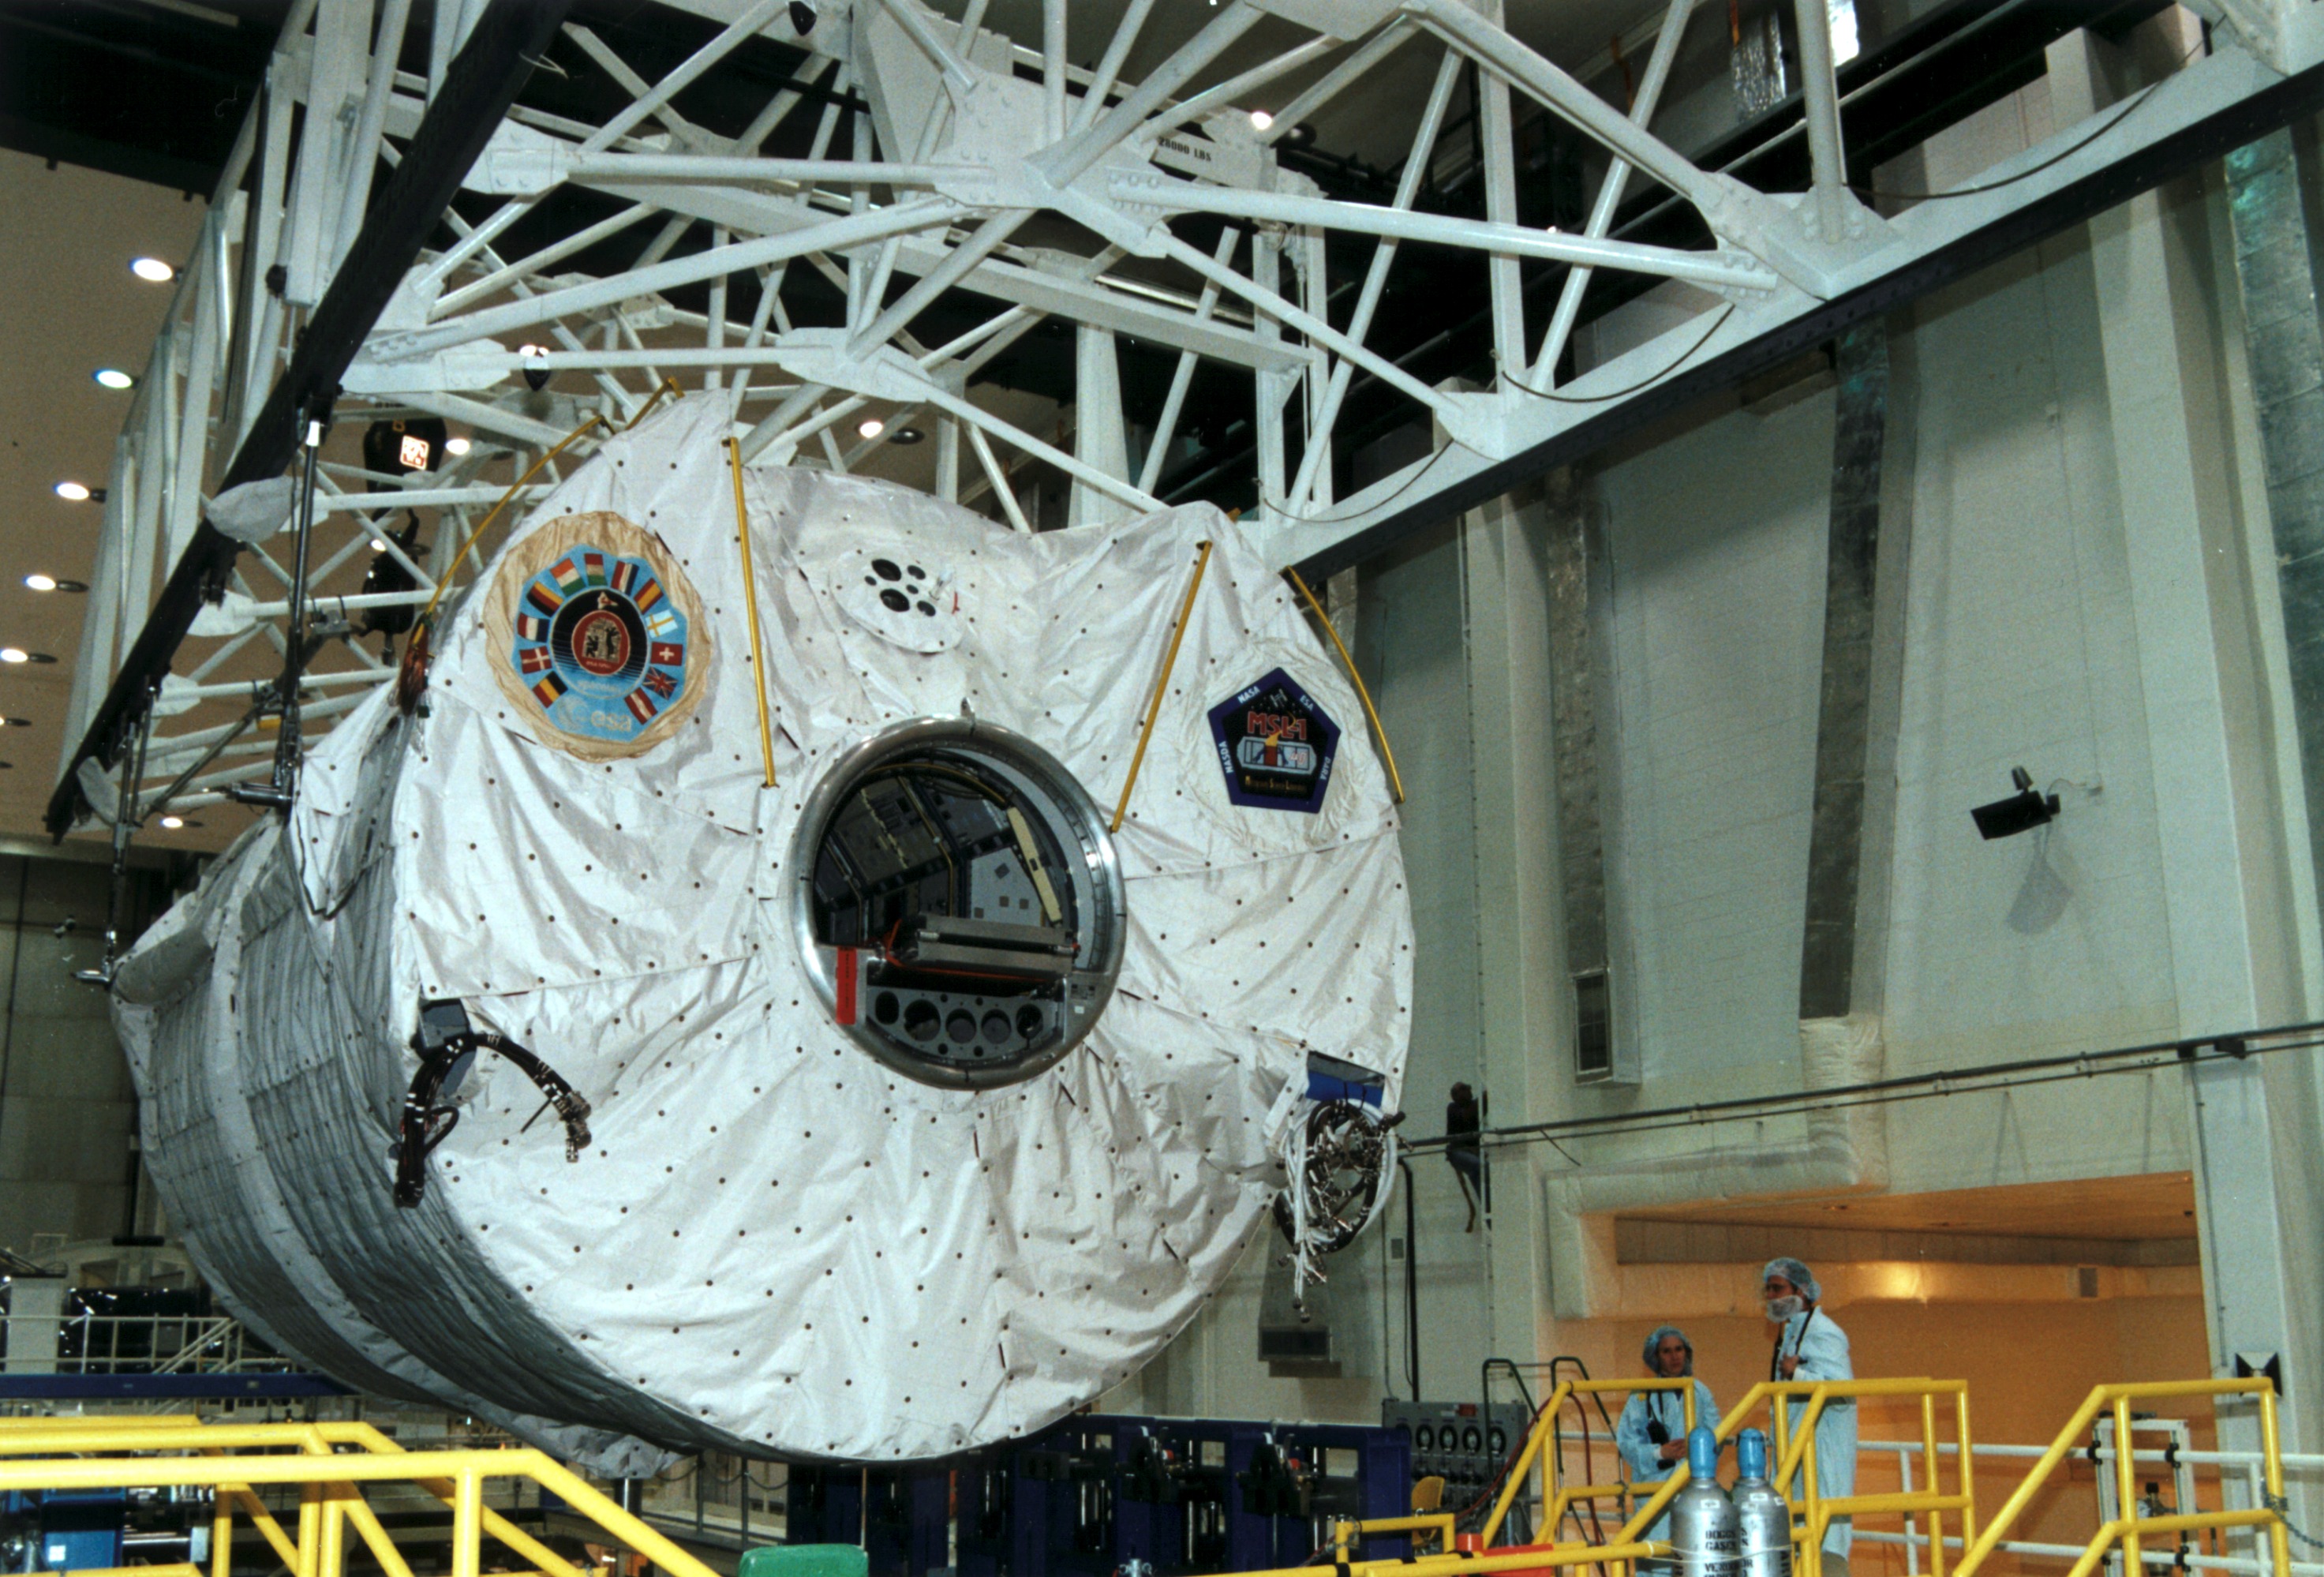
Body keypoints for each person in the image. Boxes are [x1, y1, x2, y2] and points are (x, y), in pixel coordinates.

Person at [1766, 1257, 1856, 1577]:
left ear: (1802, 1290)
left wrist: (1798, 1374)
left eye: (1778, 1288)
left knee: (1824, 1551)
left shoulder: (1825, 1333)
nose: (1772, 1297)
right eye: (1769, 1290)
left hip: (1822, 1461)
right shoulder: (1792, 1333)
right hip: (1797, 1462)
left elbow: (1843, 1390)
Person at [1615, 1326, 1717, 1547]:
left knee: (1692, 1553)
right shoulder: (1641, 1394)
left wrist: (1698, 1450)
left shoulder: (1700, 1392)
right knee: (1657, 1556)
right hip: (1654, 1490)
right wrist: (1659, 1452)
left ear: (1687, 1352)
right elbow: (1626, 1442)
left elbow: (1717, 1435)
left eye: (1679, 1349)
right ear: (1655, 1357)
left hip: (1692, 1488)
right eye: (1666, 1351)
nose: (1674, 1356)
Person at [1446, 1083, 1484, 1231]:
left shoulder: (1474, 1105)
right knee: (1480, 1166)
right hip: (1457, 1152)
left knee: (1478, 1176)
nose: (1467, 1093)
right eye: (1463, 1091)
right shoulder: (1453, 1108)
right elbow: (1467, 1114)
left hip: (1473, 1152)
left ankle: (1490, 1213)